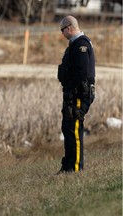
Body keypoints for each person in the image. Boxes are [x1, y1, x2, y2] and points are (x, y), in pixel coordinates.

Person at [57, 15, 95, 174]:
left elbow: (82, 72)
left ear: (69, 28)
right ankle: (68, 166)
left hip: (79, 94)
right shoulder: (73, 45)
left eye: (62, 30)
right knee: (67, 128)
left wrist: (71, 89)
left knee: (75, 130)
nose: (62, 34)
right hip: (72, 94)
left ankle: (76, 167)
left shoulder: (81, 45)